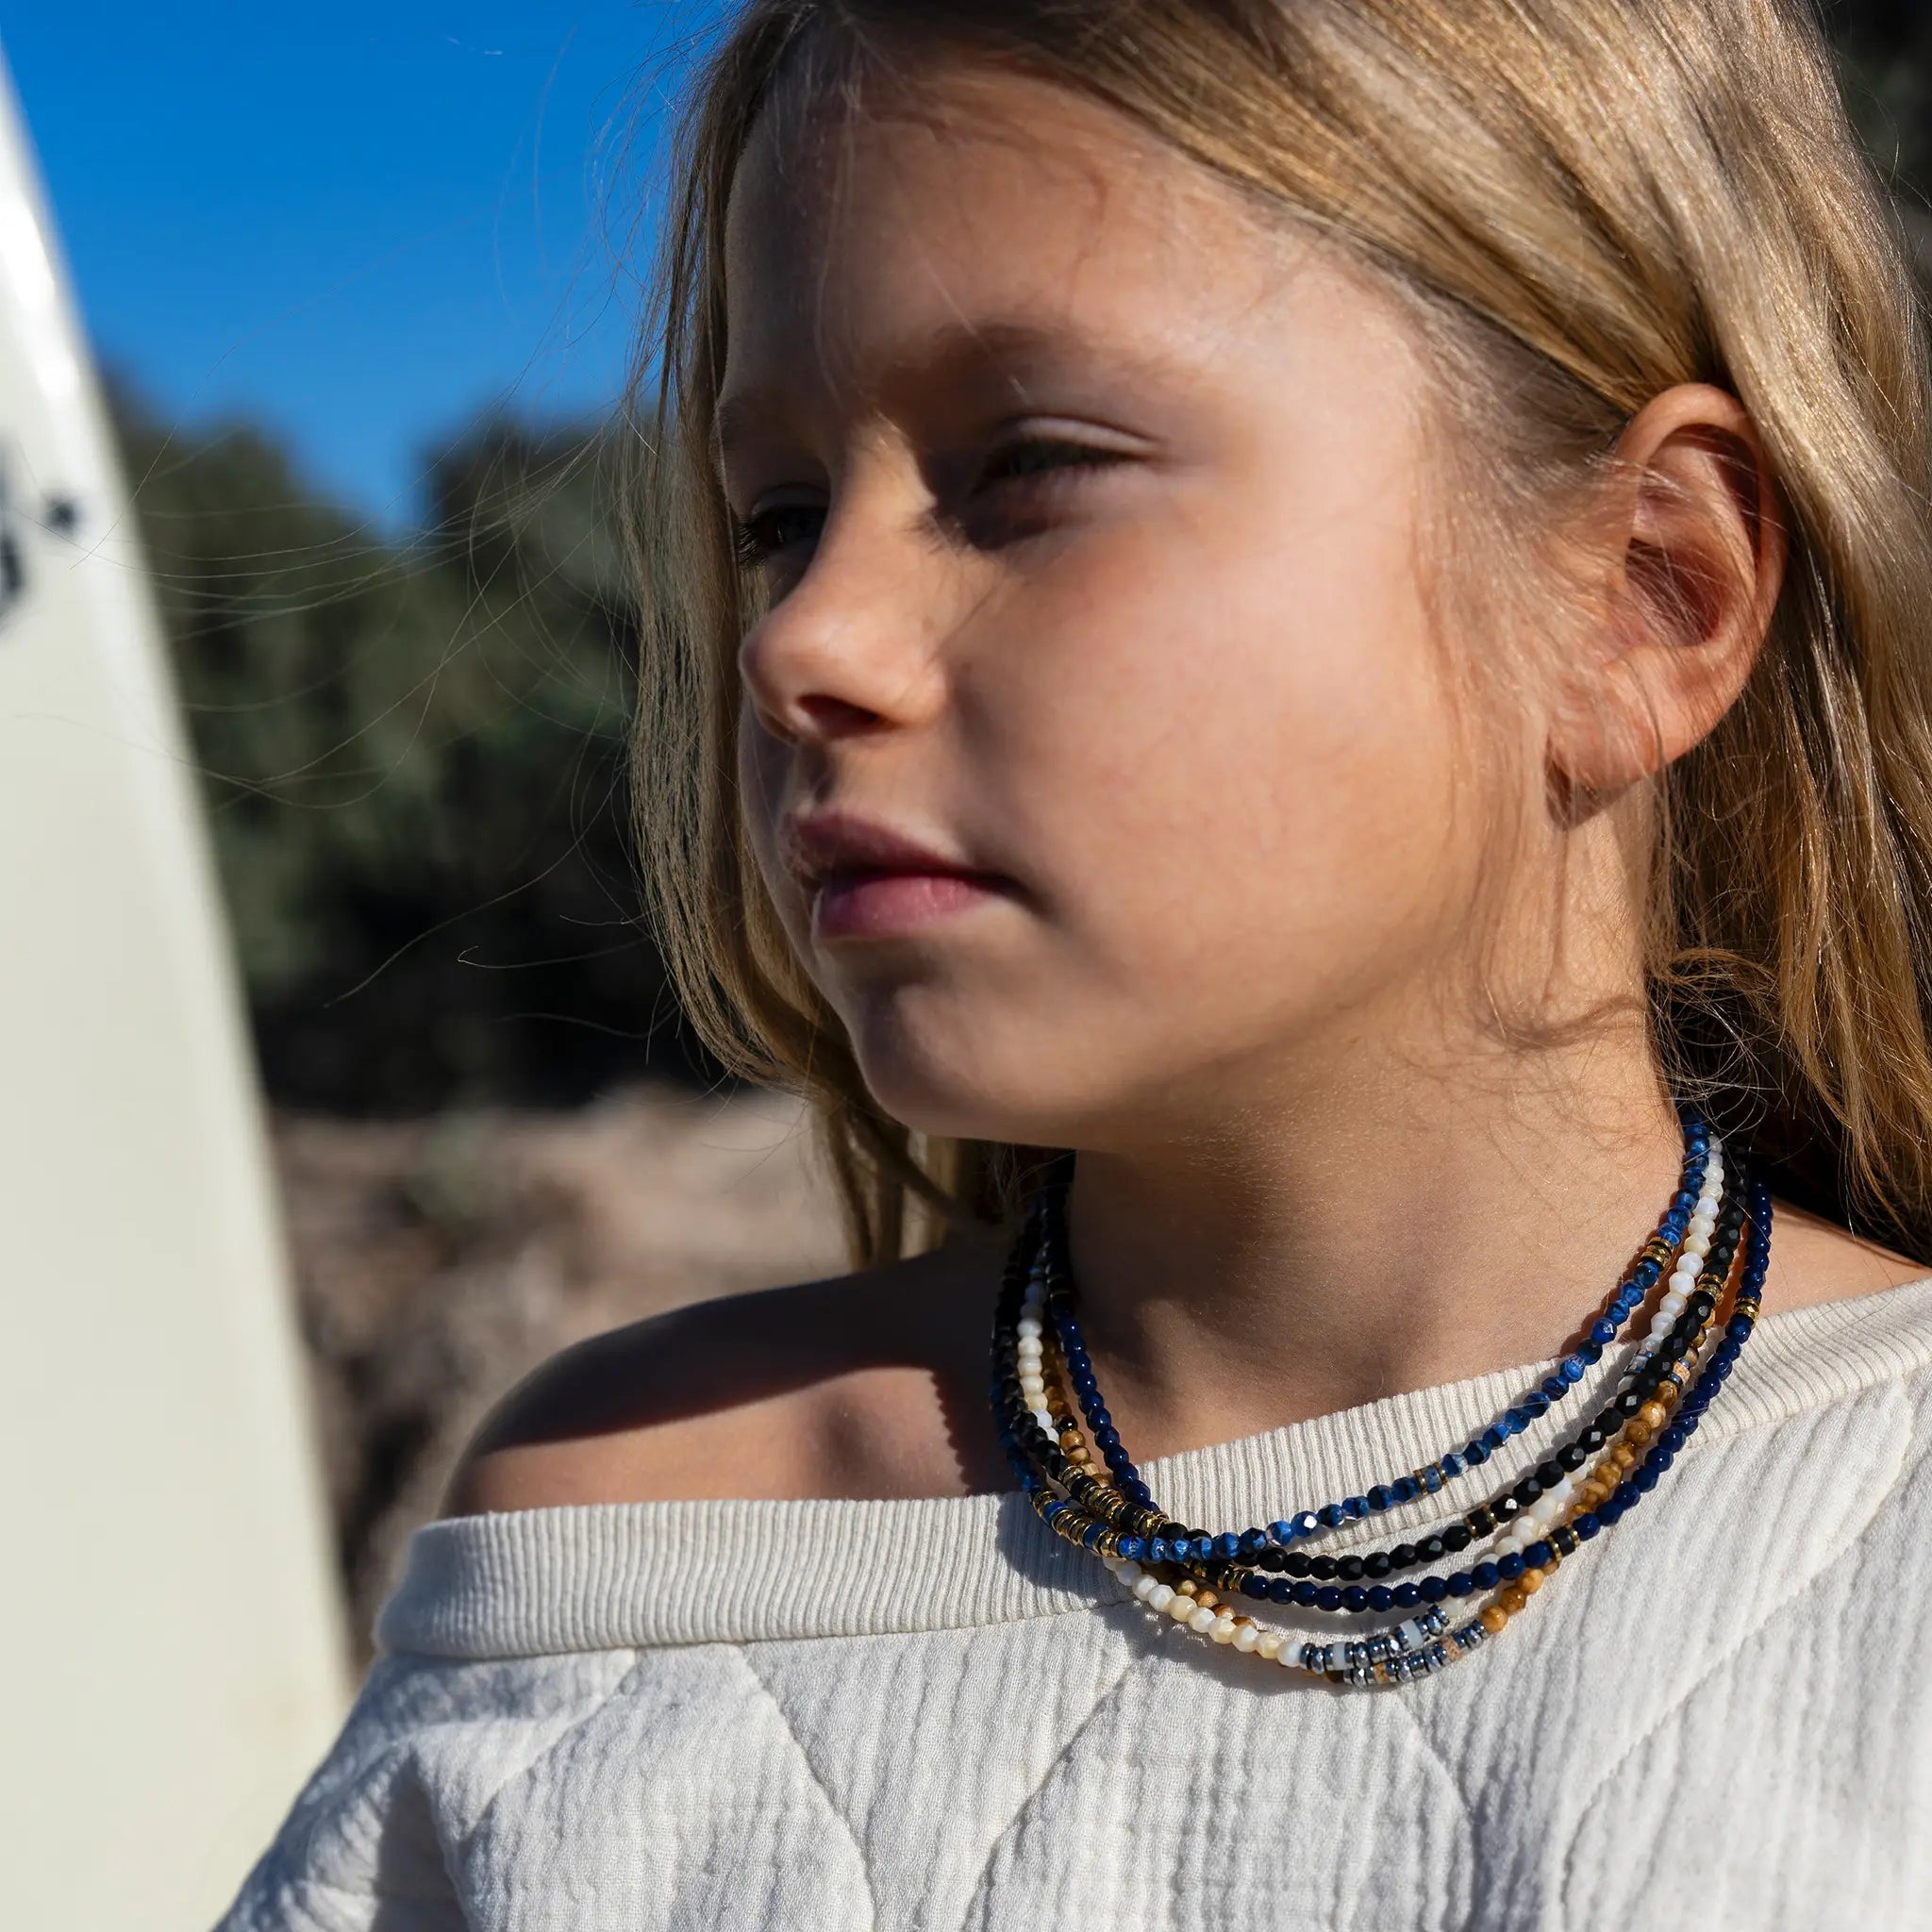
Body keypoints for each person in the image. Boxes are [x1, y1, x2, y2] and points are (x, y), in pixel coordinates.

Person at [215, 2, 1932, 1925]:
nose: (803, 641)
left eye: (1025, 466)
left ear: (1644, 597)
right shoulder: (622, 1564)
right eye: (779, 518)